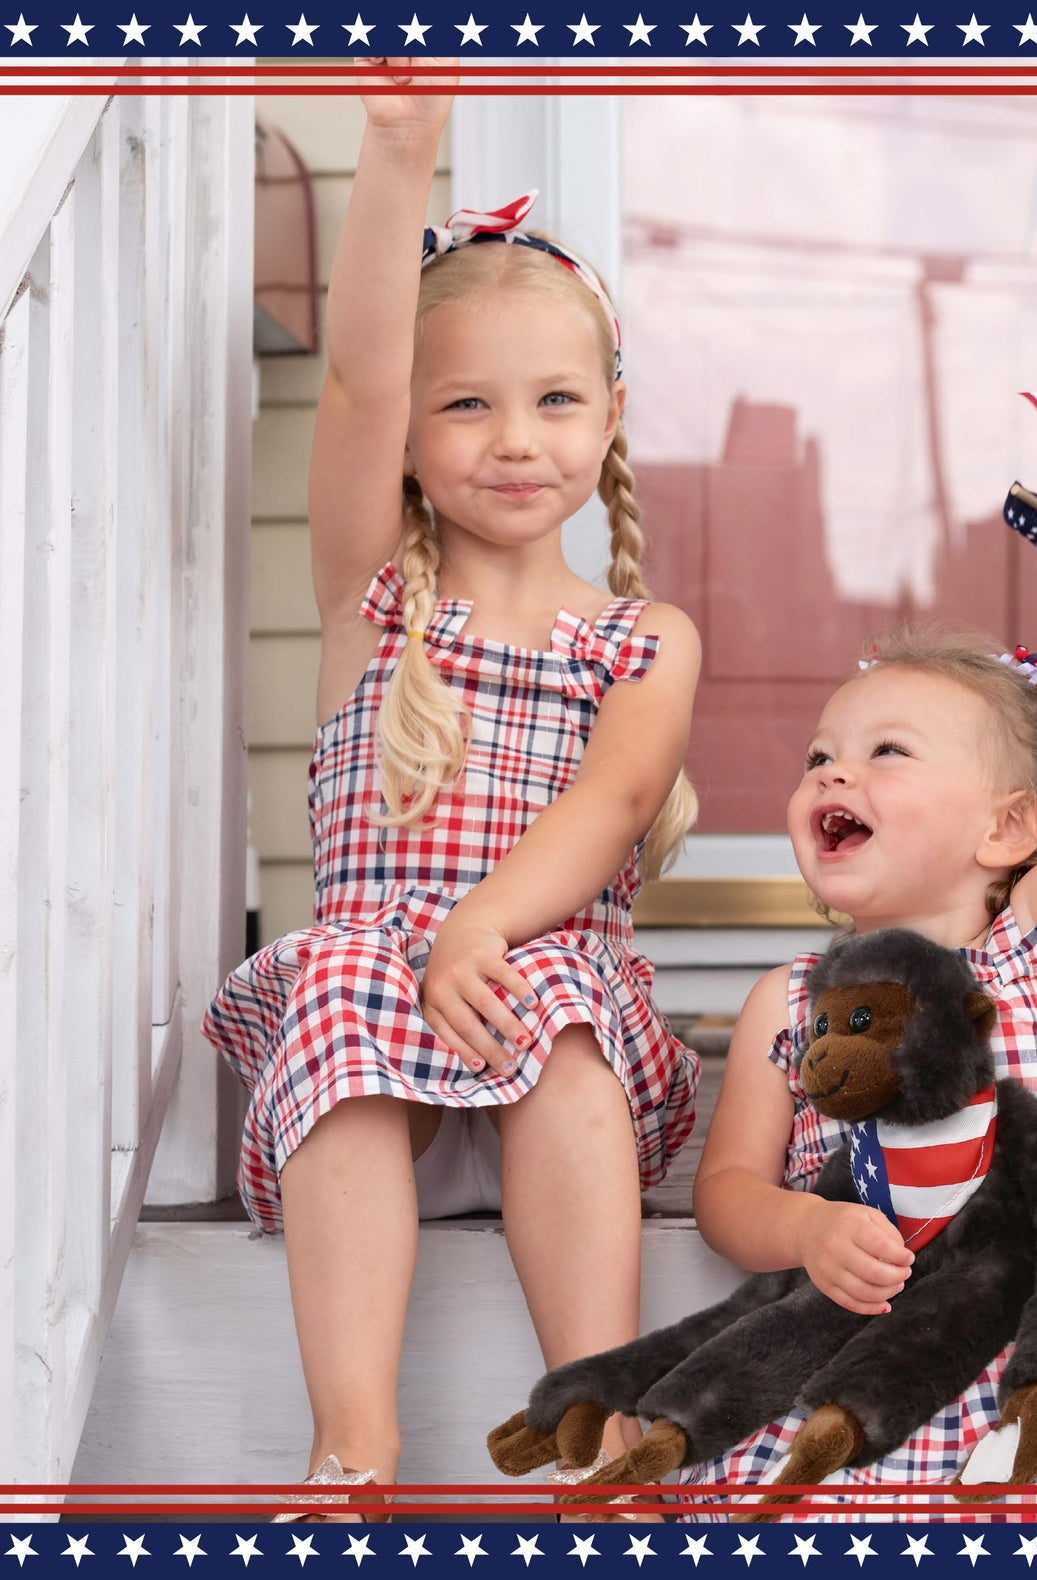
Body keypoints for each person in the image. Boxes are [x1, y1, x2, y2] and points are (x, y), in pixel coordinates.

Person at [204, 60, 701, 1521]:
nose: (513, 438)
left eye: (554, 400)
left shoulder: (641, 638)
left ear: (609, 417)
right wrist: (400, 145)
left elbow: (609, 805)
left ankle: (597, 1424)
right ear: (416, 442)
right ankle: (353, 1447)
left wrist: (481, 927)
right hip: (374, 1100)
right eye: (465, 405)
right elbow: (355, 371)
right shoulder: (375, 602)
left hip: (552, 1068)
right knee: (356, 972)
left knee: (548, 991)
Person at [685, 560, 1037, 1521]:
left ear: (1009, 826)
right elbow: (726, 1191)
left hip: (1033, 1337)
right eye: (818, 757)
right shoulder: (786, 1002)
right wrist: (803, 1228)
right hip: (853, 1351)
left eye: (887, 752)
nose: (833, 771)